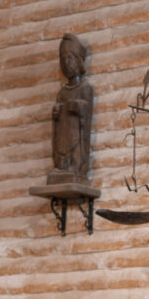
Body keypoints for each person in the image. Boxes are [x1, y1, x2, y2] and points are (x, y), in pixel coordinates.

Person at [49, 33, 93, 185]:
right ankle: (62, 165)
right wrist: (56, 113)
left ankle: (77, 166)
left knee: (75, 144)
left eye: (70, 58)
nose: (67, 63)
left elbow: (87, 115)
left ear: (78, 61)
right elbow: (56, 115)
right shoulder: (62, 92)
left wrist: (80, 107)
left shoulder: (85, 88)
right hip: (63, 132)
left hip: (76, 133)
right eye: (63, 59)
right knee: (61, 146)